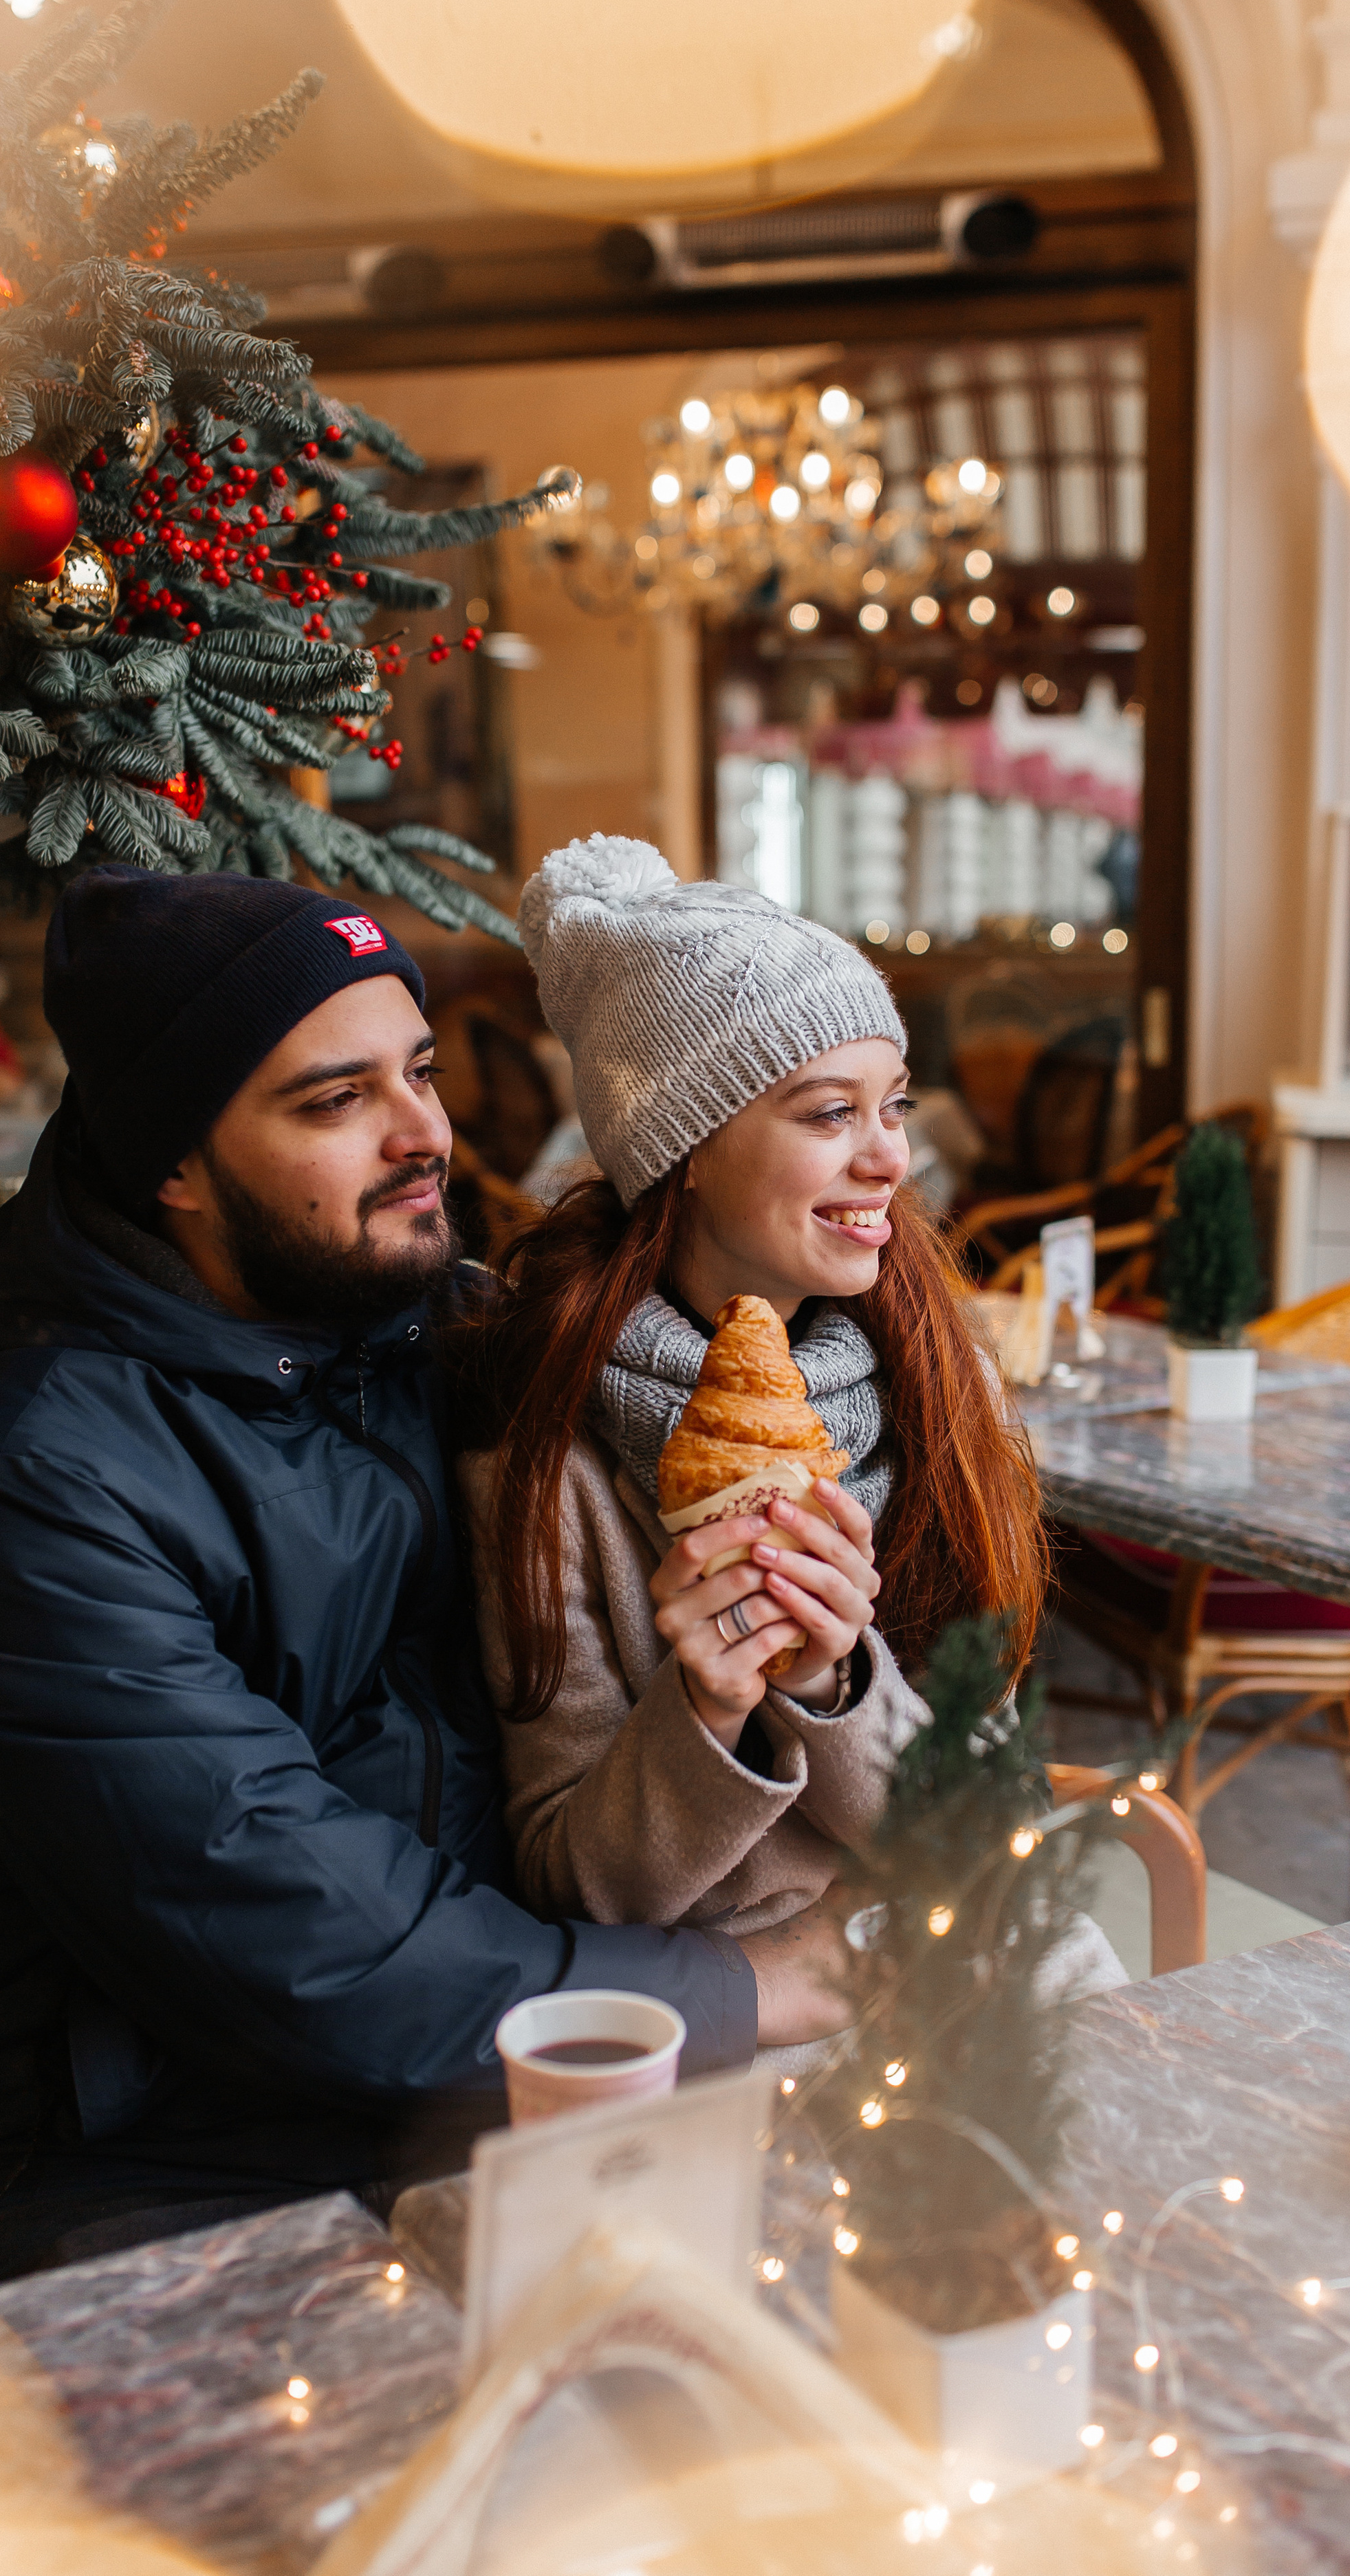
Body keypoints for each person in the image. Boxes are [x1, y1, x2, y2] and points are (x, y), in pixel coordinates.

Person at [0, 866, 832, 2288]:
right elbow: (291, 1934)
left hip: (467, 2096)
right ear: (173, 1165)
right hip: (138, 2168)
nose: (422, 1135)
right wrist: (754, 1988)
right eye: (335, 1101)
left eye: (423, 1074)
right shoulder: (35, 1483)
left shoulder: (432, 1334)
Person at [455, 837, 1068, 1965]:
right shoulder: (547, 1454)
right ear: (684, 1148)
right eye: (829, 1114)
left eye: (896, 1107)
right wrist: (706, 1712)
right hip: (729, 2010)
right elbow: (574, 1884)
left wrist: (836, 1685)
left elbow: (990, 1823)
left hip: (952, 1952)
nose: (892, 1158)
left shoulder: (941, 1379)